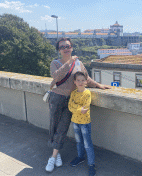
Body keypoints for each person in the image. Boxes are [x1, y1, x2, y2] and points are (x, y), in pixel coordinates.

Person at [45, 37, 110, 172]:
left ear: (72, 48)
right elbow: (56, 76)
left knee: (62, 128)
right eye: (62, 47)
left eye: (68, 46)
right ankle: (56, 155)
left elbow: (86, 78)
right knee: (54, 126)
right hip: (57, 98)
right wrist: (70, 62)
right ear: (59, 50)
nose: (65, 49)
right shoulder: (55, 63)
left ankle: (53, 156)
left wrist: (98, 85)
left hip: (72, 100)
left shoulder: (78, 63)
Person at [68, 71, 96, 176]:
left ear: (86, 82)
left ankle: (91, 164)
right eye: (78, 80)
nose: (80, 82)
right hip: (75, 121)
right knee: (79, 141)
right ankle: (80, 157)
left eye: (83, 80)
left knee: (87, 144)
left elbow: (85, 107)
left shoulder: (87, 93)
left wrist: (76, 107)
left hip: (84, 123)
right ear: (74, 82)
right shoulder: (73, 93)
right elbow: (70, 107)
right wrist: (79, 108)